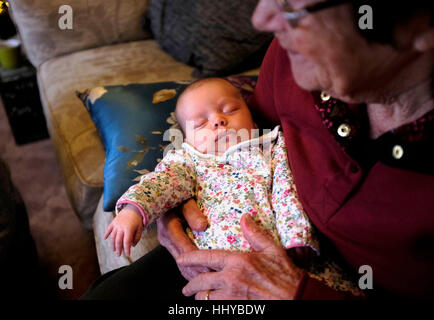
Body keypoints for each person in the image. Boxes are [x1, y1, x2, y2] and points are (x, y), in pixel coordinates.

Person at [81, 0, 434, 300]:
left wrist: (297, 293)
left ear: (419, 25)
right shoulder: (290, 60)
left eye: (294, 8)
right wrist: (170, 202)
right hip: (217, 247)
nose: (261, 19)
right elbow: (239, 129)